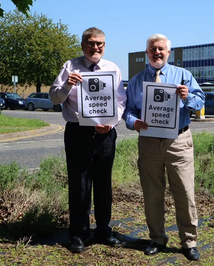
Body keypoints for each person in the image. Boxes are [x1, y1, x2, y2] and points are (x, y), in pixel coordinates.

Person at [123, 33, 205, 261]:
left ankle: (189, 242)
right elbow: (128, 110)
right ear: (146, 53)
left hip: (177, 142)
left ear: (168, 52)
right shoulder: (137, 80)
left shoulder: (183, 76)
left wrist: (188, 97)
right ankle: (157, 238)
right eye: (152, 49)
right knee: (152, 193)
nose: (157, 52)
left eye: (161, 49)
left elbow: (200, 102)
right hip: (149, 143)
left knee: (185, 193)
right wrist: (133, 122)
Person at [49, 27, 126, 253]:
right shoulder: (69, 67)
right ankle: (79, 234)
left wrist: (112, 123)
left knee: (104, 184)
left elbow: (120, 101)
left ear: (104, 45)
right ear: (83, 45)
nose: (95, 47)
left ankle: (103, 231)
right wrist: (67, 85)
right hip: (78, 133)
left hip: (105, 133)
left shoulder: (112, 68)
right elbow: (54, 98)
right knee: (79, 185)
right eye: (91, 43)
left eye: (100, 43)